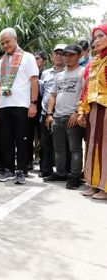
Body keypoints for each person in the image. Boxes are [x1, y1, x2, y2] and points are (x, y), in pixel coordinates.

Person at [0, 28, 39, 184]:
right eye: (2, 43)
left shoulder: (28, 57)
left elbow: (34, 81)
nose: (5, 45)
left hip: (22, 105)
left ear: (15, 39)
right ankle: (9, 170)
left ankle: (21, 170)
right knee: (5, 140)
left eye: (8, 42)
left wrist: (33, 104)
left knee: (22, 140)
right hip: (4, 106)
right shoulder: (1, 62)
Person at [44, 44, 85, 189]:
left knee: (75, 149)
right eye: (66, 55)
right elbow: (53, 95)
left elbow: (86, 95)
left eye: (71, 55)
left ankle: (75, 176)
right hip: (57, 116)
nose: (67, 57)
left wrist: (78, 112)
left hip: (72, 116)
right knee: (59, 149)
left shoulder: (83, 72)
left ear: (80, 56)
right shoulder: (59, 75)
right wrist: (50, 114)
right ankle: (61, 173)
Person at [77, 23, 107, 199]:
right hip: (93, 110)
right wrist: (82, 111)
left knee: (105, 147)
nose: (96, 41)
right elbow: (85, 89)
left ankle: (105, 186)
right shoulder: (93, 63)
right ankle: (93, 183)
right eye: (95, 37)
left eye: (101, 36)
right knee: (92, 146)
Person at [39, 44, 66, 178]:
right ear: (52, 56)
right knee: (45, 143)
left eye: (62, 53)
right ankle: (46, 170)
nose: (59, 55)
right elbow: (42, 92)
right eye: (56, 53)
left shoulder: (71, 72)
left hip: (63, 113)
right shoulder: (45, 73)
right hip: (46, 113)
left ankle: (66, 171)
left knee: (64, 145)